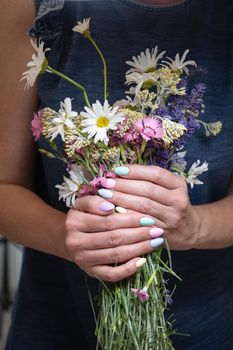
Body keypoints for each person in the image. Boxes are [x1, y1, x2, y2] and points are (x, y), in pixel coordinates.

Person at [0, 0, 233, 349]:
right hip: (57, 322)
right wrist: (68, 238)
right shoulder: (32, 7)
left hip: (205, 326)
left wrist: (194, 226)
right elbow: (4, 186)